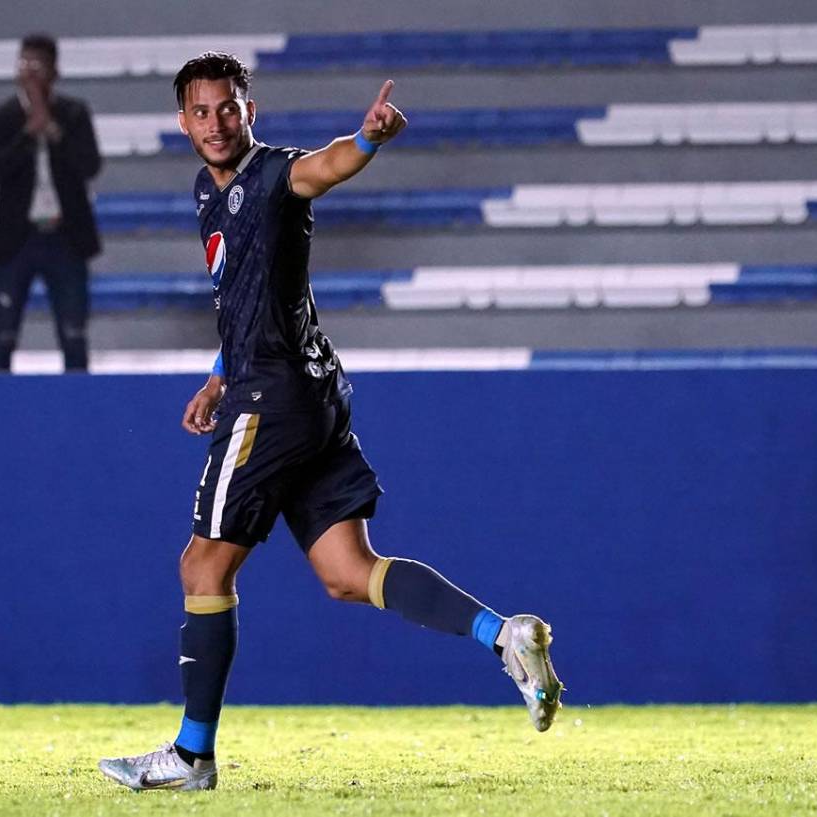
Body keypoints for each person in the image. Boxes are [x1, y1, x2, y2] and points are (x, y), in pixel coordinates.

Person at [98, 52, 562, 793]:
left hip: (274, 401)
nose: (217, 123)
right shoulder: (205, 192)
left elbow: (326, 167)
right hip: (309, 394)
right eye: (203, 111)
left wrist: (369, 138)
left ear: (253, 111)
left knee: (203, 565)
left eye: (229, 107)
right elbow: (248, 293)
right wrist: (220, 373)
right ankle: (504, 635)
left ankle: (191, 756)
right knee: (349, 573)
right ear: (182, 121)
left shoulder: (275, 174)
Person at [0, 33, 102, 373]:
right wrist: (27, 134)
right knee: (2, 337)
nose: (30, 72)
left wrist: (52, 130)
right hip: (16, 239)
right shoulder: (1, 117)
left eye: (38, 65)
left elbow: (89, 165)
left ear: (54, 70)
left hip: (64, 237)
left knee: (73, 335)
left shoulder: (74, 114)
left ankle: (79, 410)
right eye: (24, 64)